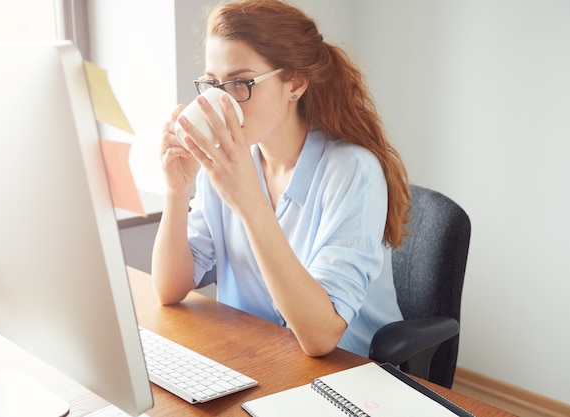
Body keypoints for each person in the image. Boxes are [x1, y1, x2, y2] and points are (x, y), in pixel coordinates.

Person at [152, 0, 410, 358]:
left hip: (345, 376)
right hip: (258, 358)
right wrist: (176, 192)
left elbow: (321, 337)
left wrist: (250, 204)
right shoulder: (227, 161)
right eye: (213, 83)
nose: (223, 101)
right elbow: (169, 288)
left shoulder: (352, 172)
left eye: (241, 83)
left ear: (296, 83)